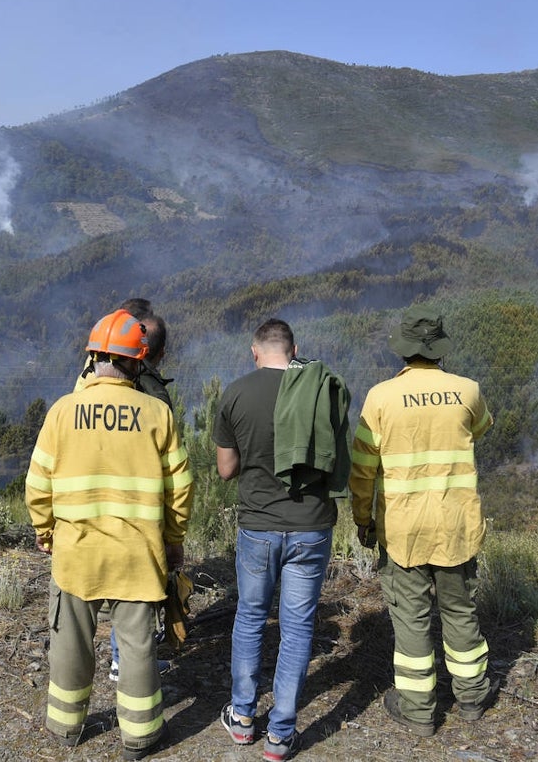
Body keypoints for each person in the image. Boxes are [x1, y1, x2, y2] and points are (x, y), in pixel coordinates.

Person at [28, 309, 193, 760]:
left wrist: (46, 532)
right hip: (137, 555)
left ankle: (65, 729)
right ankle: (139, 737)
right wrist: (173, 541)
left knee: (70, 642)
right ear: (137, 362)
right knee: (138, 646)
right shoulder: (157, 413)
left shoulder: (63, 411)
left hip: (76, 552)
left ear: (94, 358)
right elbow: (181, 488)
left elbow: (38, 484)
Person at [349, 305, 497, 737]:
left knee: (411, 618)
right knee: (460, 610)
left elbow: (362, 469)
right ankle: (472, 697)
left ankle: (418, 711)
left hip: (403, 529)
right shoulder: (468, 391)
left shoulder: (380, 397)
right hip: (456, 524)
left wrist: (363, 519)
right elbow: (480, 429)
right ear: (440, 351)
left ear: (404, 353)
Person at [212, 318, 351, 762]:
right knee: (297, 628)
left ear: (255, 352)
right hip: (311, 526)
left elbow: (226, 469)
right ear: (294, 350)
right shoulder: (317, 388)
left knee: (251, 617)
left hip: (259, 527)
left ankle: (243, 718)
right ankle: (281, 735)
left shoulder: (235, 392)